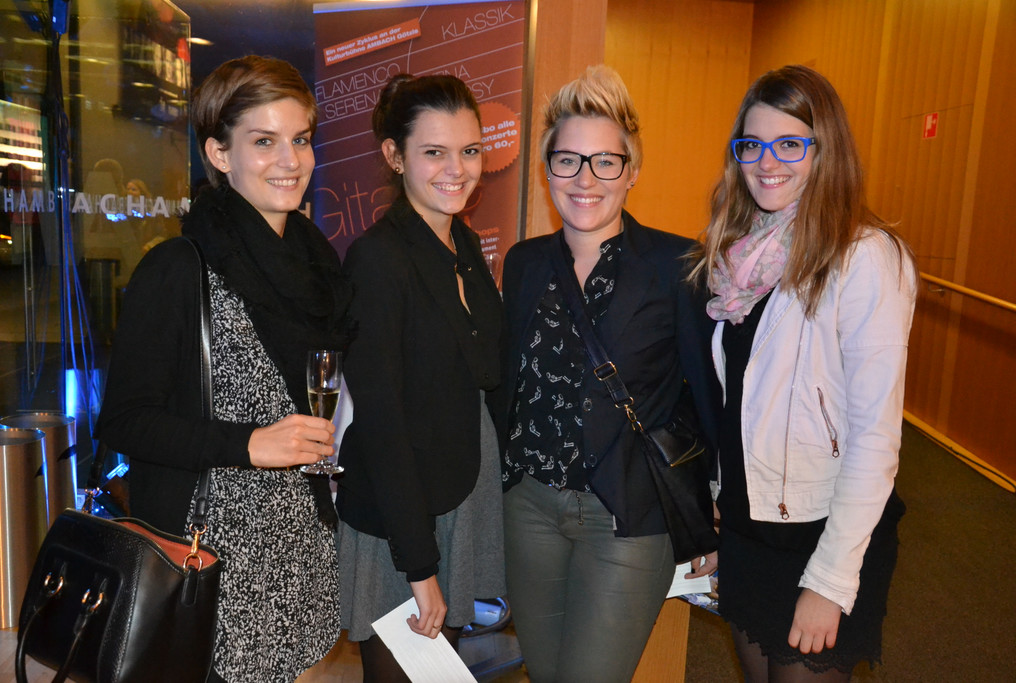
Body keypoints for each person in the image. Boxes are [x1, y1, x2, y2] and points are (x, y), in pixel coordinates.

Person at [96, 55, 353, 683]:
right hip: (208, 562)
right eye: (263, 141)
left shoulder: (319, 267)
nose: (290, 160)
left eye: (300, 139)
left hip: (300, 552)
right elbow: (126, 421)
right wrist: (248, 444)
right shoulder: (177, 269)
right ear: (218, 152)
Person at [691, 64, 917, 681]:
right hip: (749, 523)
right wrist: (720, 505)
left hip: (821, 530)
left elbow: (875, 437)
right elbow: (738, 401)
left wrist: (830, 580)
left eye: (790, 143)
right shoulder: (738, 256)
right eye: (752, 145)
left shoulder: (864, 256)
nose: (767, 162)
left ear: (825, 150)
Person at [496, 65, 720, 682]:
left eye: (605, 162)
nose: (585, 179)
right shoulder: (523, 264)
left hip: (628, 515)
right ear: (548, 170)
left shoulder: (678, 265)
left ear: (632, 170)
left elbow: (706, 396)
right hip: (528, 509)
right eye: (568, 160)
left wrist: (710, 511)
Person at [334, 73, 505, 682]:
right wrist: (419, 564)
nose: (456, 170)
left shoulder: (464, 245)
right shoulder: (378, 260)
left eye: (470, 150)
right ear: (394, 155)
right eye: (434, 151)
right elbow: (382, 422)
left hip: (461, 496)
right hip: (403, 519)